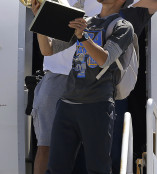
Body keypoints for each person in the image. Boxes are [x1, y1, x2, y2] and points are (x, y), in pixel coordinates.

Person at [34, 0, 135, 173]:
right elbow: (47, 50)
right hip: (67, 104)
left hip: (97, 104)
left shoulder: (123, 26)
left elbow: (105, 59)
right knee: (56, 168)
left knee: (98, 168)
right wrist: (40, 21)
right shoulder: (85, 21)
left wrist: (83, 36)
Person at [30, 1, 101, 174]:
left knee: (95, 148)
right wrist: (39, 18)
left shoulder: (107, 3)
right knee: (46, 145)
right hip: (56, 77)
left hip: (94, 80)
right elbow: (47, 48)